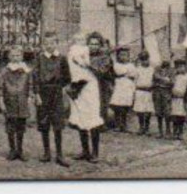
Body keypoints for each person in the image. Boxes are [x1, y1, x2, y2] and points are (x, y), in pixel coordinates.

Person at [32, 33, 71, 168]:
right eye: (47, 43)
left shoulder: (62, 59)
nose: (49, 46)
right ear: (43, 45)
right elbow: (35, 78)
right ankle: (46, 153)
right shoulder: (39, 59)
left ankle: (59, 154)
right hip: (43, 93)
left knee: (58, 123)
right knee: (44, 123)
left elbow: (67, 77)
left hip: (57, 93)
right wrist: (36, 94)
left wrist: (61, 88)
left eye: (52, 43)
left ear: (56, 43)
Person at [66, 32, 104, 161]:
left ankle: (95, 153)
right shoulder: (78, 52)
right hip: (79, 88)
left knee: (92, 118)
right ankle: (85, 151)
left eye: (96, 44)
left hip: (93, 90)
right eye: (91, 43)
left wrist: (86, 64)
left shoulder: (103, 57)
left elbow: (102, 73)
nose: (93, 46)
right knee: (80, 116)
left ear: (100, 45)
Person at [0, 46, 32, 161]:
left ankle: (20, 150)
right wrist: (1, 101)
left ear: (22, 56)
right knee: (10, 126)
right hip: (9, 101)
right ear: (9, 57)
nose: (15, 58)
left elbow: (30, 85)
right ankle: (12, 150)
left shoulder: (26, 71)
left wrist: (29, 97)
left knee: (21, 126)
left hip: (22, 101)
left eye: (18, 55)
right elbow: (0, 87)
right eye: (13, 55)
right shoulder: (5, 71)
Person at [108, 45, 136, 131]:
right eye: (121, 55)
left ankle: (124, 124)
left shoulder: (131, 65)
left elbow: (134, 74)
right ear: (118, 56)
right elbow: (118, 72)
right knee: (117, 106)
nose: (123, 57)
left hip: (128, 87)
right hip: (119, 86)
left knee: (125, 107)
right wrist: (126, 73)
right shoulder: (116, 65)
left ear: (128, 56)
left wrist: (126, 73)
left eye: (125, 55)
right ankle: (117, 124)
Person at [131, 50, 156, 135]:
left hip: (148, 91)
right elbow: (134, 81)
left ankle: (147, 127)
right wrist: (134, 92)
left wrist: (152, 86)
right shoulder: (137, 69)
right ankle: (141, 126)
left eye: (146, 59)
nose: (145, 61)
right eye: (143, 59)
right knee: (140, 110)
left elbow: (154, 80)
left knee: (148, 110)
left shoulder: (152, 69)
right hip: (140, 91)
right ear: (140, 60)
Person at [150, 56, 175, 138]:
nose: (165, 61)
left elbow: (172, 82)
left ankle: (168, 130)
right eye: (163, 59)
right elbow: (155, 77)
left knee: (167, 112)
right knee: (158, 111)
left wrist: (162, 80)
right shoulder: (157, 69)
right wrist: (164, 79)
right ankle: (160, 131)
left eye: (167, 59)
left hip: (166, 92)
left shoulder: (171, 70)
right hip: (157, 92)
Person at [169, 60, 187, 141]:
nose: (181, 69)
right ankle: (175, 132)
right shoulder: (174, 76)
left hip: (183, 98)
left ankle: (181, 132)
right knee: (175, 116)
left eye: (182, 67)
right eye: (178, 67)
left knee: (182, 116)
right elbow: (170, 86)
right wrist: (173, 91)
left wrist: (185, 94)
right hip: (175, 98)